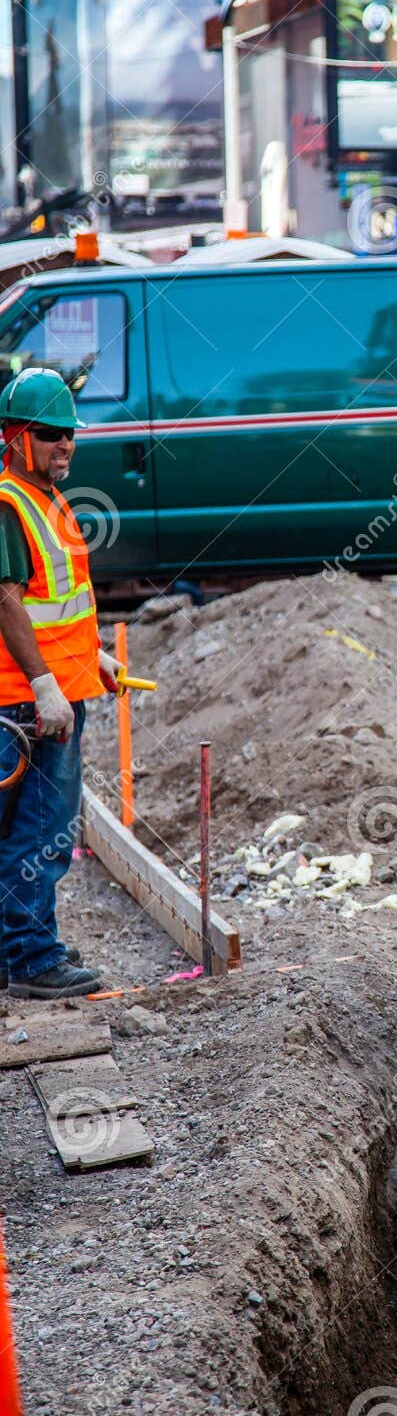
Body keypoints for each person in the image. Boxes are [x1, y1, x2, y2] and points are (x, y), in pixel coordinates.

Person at [0, 368, 122, 999]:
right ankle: (31, 959)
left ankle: (17, 946)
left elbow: (61, 603)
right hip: (26, 702)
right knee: (43, 829)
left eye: (70, 434)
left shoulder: (47, 501)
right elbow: (7, 602)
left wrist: (92, 656)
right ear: (16, 437)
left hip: (43, 691)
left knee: (23, 825)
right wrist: (47, 686)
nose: (64, 446)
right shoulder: (9, 502)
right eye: (50, 435)